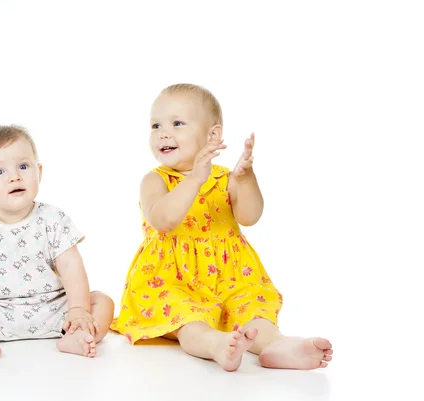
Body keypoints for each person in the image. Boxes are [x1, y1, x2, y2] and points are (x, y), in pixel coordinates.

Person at [110, 84, 333, 371]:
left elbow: (250, 216)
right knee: (186, 318)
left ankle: (276, 345)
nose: (163, 133)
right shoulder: (155, 181)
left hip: (230, 275)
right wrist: (194, 180)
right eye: (155, 125)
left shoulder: (225, 178)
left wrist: (246, 178)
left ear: (212, 135)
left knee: (252, 306)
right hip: (171, 279)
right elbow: (163, 220)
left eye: (177, 123)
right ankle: (216, 344)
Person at [0, 125, 114, 367]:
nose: (14, 177)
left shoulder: (53, 219)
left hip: (57, 310)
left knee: (102, 302)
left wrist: (79, 309)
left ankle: (77, 335)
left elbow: (71, 266)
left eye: (23, 166)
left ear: (38, 172)